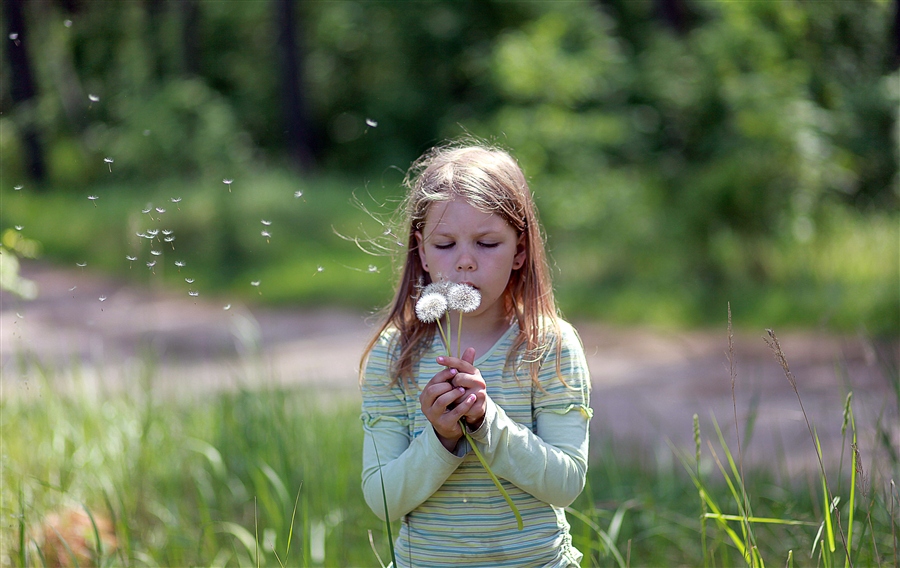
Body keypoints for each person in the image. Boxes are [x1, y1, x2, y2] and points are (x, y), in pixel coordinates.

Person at [359, 141, 592, 567]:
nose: (465, 262)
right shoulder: (395, 356)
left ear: (520, 250)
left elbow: (567, 483)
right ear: (422, 251)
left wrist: (488, 424)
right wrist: (442, 439)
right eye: (445, 244)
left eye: (487, 243)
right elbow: (383, 500)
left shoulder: (550, 346)